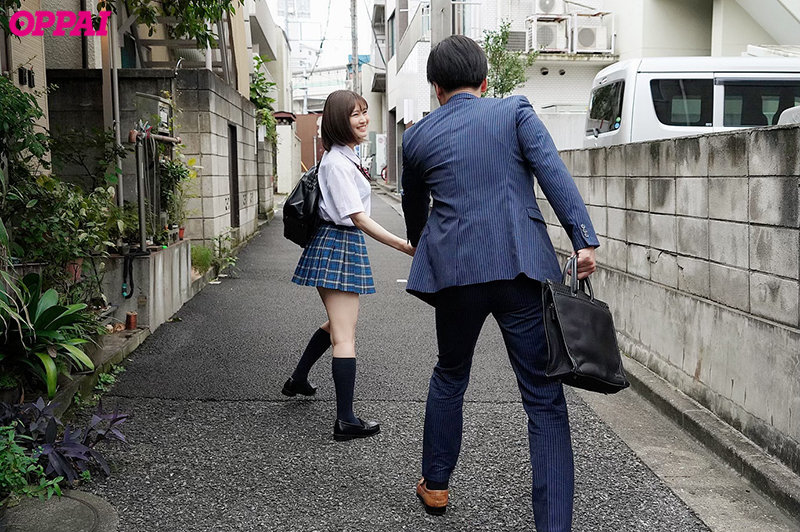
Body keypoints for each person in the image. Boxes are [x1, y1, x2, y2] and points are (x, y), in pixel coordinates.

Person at [401, 35, 599, 530]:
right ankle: (553, 525)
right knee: (543, 397)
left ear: (436, 88)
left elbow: (413, 206)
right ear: (486, 81)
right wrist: (582, 240)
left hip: (455, 274)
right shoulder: (513, 112)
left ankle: (436, 484)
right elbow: (552, 172)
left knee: (450, 374)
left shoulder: (418, 137)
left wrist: (423, 246)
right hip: (520, 269)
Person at [285, 89, 414, 442]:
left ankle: (298, 378)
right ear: (339, 121)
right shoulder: (337, 164)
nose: (363, 119)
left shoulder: (345, 157)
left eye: (364, 112)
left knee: (337, 324)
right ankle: (345, 420)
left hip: (339, 244)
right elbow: (357, 217)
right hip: (338, 243)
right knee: (345, 336)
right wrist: (403, 245)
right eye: (355, 114)